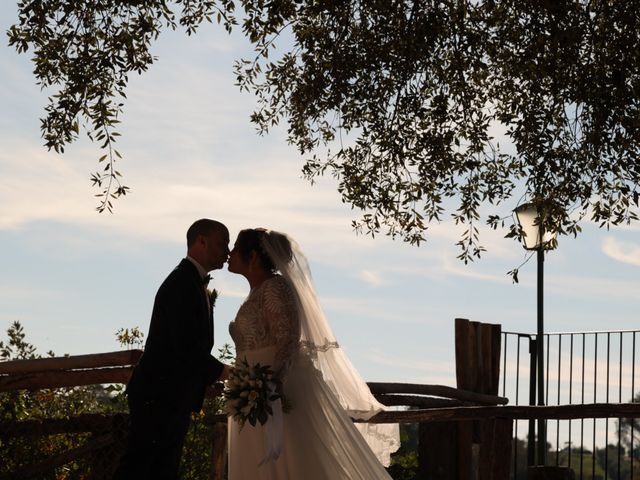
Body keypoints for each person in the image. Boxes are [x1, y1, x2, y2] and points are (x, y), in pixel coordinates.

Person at [226, 228, 399, 479]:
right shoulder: (256, 292)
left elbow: (287, 340)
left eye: (235, 249)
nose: (230, 254)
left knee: (290, 464)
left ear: (252, 256)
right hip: (252, 390)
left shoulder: (276, 287)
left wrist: (272, 385)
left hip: (273, 391)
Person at [114, 219, 232, 480]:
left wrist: (204, 379)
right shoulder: (181, 283)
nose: (228, 251)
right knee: (140, 468)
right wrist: (222, 371)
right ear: (201, 241)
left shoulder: (193, 282)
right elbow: (185, 346)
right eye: (224, 242)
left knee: (160, 470)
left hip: (169, 395)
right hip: (158, 395)